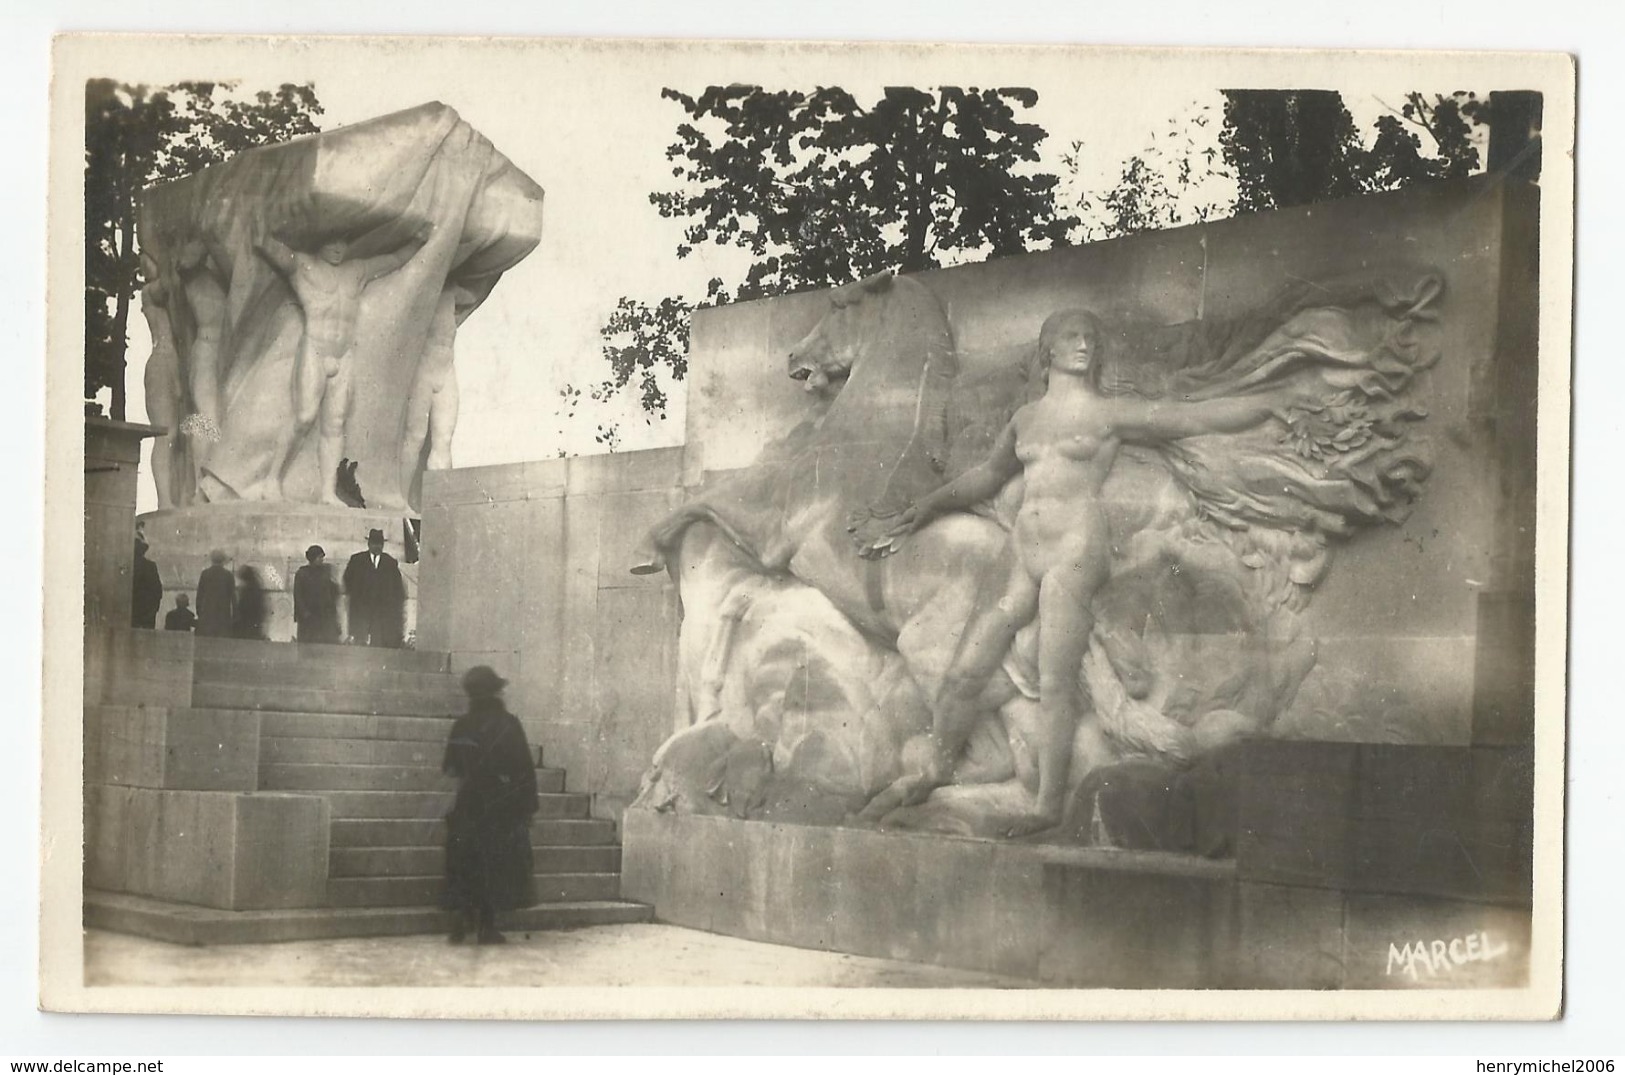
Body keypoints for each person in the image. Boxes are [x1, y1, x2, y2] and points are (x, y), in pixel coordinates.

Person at [856, 308, 1298, 835]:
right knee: (964, 671)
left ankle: (1045, 804)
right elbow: (987, 474)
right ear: (1049, 352)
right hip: (1026, 550)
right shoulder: (1026, 419)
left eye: (1090, 337)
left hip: (1076, 548)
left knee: (1056, 678)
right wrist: (926, 506)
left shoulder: (1107, 415)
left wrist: (1274, 402)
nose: (1084, 344)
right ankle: (937, 768)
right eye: (1071, 337)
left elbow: (1193, 418)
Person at [255, 226, 427, 504]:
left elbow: (395, 260)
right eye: (331, 240)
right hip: (315, 350)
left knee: (335, 425)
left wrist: (418, 240)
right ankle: (272, 479)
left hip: (344, 354)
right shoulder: (303, 265)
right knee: (304, 417)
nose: (338, 247)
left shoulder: (355, 271)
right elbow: (268, 246)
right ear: (319, 241)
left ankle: (327, 491)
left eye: (344, 241)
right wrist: (254, 225)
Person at [442, 665, 538, 944]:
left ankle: (460, 920)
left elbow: (450, 767)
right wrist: (528, 806)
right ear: (496, 691)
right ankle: (487, 926)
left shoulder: (461, 725)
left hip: (469, 800)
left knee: (465, 860)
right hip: (500, 802)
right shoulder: (508, 723)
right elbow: (524, 769)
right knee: (495, 862)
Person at [343, 529, 405, 647]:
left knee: (378, 642)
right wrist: (358, 595)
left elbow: (397, 586)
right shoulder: (357, 560)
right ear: (369, 544)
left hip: (381, 612)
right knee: (360, 642)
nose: (377, 547)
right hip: (361, 609)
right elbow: (347, 579)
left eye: (380, 544)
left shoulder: (390, 562)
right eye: (374, 544)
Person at [293, 544, 341, 644]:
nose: (322, 560)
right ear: (313, 558)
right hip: (307, 617)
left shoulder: (324, 573)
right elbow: (298, 596)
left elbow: (329, 592)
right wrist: (304, 613)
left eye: (322, 557)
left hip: (322, 616)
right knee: (306, 645)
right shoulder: (302, 573)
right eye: (319, 557)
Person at [193, 550, 234, 638]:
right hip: (223, 614)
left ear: (212, 560)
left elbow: (200, 595)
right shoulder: (228, 575)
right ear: (223, 560)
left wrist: (199, 612)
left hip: (207, 613)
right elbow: (233, 597)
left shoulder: (205, 574)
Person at [130, 539, 164, 629]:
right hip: (147, 613)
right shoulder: (150, 566)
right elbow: (158, 591)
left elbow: (157, 591)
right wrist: (153, 610)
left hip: (132, 614)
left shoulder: (127, 566)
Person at [232, 566, 267, 641]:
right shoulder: (256, 587)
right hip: (254, 624)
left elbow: (242, 607)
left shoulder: (246, 590)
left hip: (246, 625)